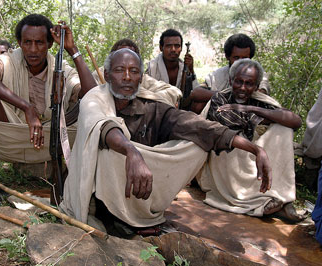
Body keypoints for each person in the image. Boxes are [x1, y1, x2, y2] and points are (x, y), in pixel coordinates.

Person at [60, 49, 272, 231]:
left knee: (197, 144)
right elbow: (104, 126)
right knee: (111, 152)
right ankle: (114, 217)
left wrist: (255, 150)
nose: (127, 77)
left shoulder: (151, 106)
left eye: (134, 71)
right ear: (106, 74)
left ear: (141, 77)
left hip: (134, 192)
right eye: (119, 70)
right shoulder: (94, 97)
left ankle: (141, 212)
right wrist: (131, 152)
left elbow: (200, 126)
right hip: (95, 197)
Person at [0, 14, 97, 217]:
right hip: (10, 136)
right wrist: (27, 108)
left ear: (49, 44)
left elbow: (93, 94)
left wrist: (72, 50)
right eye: (27, 42)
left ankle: (65, 186)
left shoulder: (61, 68)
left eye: (39, 43)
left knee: (89, 109)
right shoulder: (9, 60)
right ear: (19, 43)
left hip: (50, 141)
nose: (32, 49)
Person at [198, 58, 304, 222]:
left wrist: (250, 108)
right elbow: (232, 126)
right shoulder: (220, 99)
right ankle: (252, 198)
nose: (242, 88)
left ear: (257, 86)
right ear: (230, 80)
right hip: (228, 158)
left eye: (249, 84)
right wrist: (263, 118)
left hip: (255, 155)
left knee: (283, 129)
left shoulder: (260, 102)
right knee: (234, 137)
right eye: (238, 81)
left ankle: (278, 195)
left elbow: (295, 121)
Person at [189, 33, 271, 114]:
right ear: (227, 57)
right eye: (236, 58)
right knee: (198, 105)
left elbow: (260, 95)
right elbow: (196, 93)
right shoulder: (217, 75)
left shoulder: (258, 75)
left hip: (248, 113)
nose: (241, 62)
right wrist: (225, 96)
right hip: (219, 113)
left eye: (245, 58)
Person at [92, 38, 182, 107]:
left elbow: (173, 91)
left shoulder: (142, 78)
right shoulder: (99, 73)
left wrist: (142, 97)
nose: (127, 77)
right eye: (120, 69)